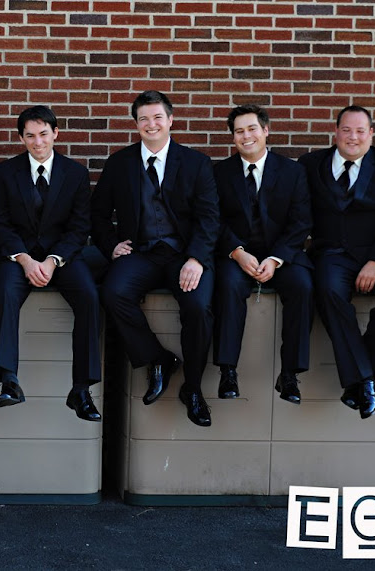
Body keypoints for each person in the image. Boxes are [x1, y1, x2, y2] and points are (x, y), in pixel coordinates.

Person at [90, 90, 219, 427]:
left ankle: (193, 388)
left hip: (184, 254)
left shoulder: (196, 163)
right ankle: (158, 358)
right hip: (141, 252)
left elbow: (209, 219)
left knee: (198, 307)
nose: (151, 124)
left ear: (170, 120)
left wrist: (197, 259)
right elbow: (98, 214)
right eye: (144, 119)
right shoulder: (119, 163)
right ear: (136, 124)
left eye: (158, 117)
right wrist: (111, 245)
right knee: (113, 292)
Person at [298, 105, 375, 419]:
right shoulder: (311, 164)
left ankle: (361, 380)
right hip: (332, 254)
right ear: (335, 132)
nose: (353, 137)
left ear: (371, 134)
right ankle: (366, 382)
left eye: (360, 131)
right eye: (347, 130)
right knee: (328, 292)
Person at [0, 105, 102, 421]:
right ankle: (8, 380)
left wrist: (52, 261)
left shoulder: (75, 174)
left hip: (61, 257)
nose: (38, 142)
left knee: (89, 295)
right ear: (21, 138)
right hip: (18, 256)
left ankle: (81, 389)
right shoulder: (4, 173)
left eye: (43, 134)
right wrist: (24, 260)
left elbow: (79, 227)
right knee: (4, 290)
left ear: (55, 133)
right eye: (30, 136)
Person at [213, 104, 314, 404]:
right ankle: (228, 370)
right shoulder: (219, 173)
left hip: (280, 255)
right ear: (233, 137)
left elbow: (301, 221)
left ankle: (290, 374)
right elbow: (213, 219)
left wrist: (275, 258)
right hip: (237, 255)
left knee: (303, 286)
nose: (246, 136)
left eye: (252, 129)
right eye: (239, 131)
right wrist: (237, 252)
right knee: (228, 285)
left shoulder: (293, 172)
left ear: (266, 131)